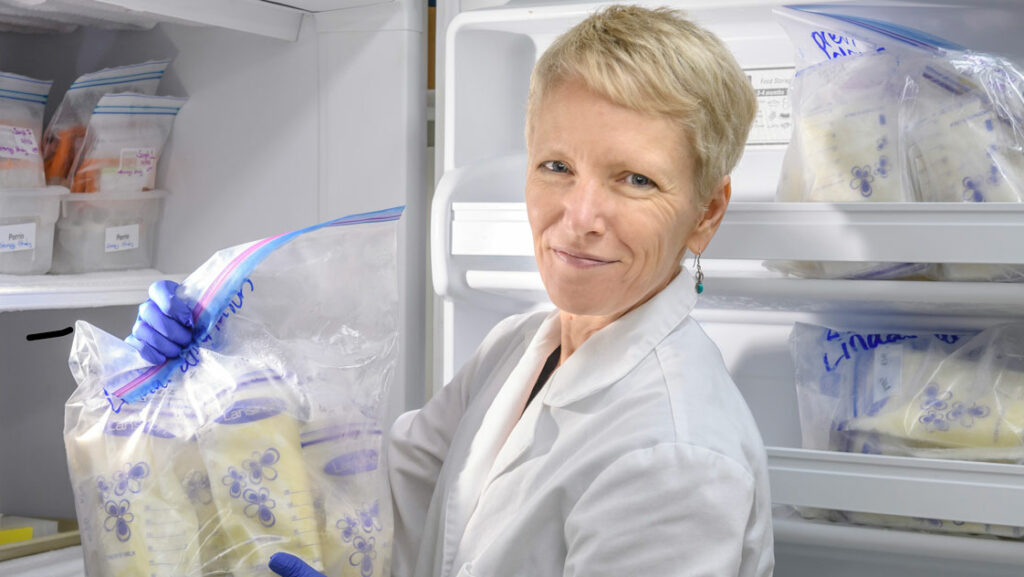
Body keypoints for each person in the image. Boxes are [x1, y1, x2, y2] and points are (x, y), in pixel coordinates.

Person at [129, 5, 772, 576]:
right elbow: (372, 494)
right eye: (557, 167)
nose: (579, 217)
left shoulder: (678, 458)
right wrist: (214, 379)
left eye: (634, 179)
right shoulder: (519, 348)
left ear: (707, 213)